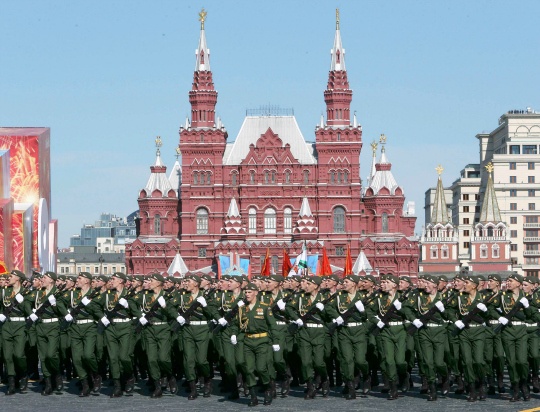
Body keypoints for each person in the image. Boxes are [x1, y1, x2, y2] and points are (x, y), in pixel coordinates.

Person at [230, 282, 279, 406]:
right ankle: (253, 396)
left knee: (261, 368)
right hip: (248, 341)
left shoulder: (264, 307)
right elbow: (236, 324)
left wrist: (276, 341)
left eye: (250, 292)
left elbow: (272, 325)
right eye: (245, 292)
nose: (247, 294)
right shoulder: (242, 308)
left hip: (262, 341)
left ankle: (268, 388)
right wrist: (234, 334)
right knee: (249, 369)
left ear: (256, 293)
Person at [403, 274, 449, 401]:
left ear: (435, 284)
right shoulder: (418, 296)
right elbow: (406, 308)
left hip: (439, 330)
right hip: (424, 331)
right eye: (424, 283)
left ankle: (445, 377)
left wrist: (443, 310)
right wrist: (414, 319)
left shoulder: (443, 297)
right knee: (427, 362)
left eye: (427, 283)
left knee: (439, 362)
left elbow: (449, 314)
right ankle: (432, 388)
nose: (425, 285)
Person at [60, 271, 102, 396]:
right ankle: (85, 383)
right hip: (75, 327)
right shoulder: (73, 294)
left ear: (87, 281)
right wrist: (66, 314)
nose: (76, 281)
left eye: (79, 278)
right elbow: (59, 302)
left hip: (89, 327)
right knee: (77, 358)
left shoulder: (95, 295)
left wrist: (90, 306)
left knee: (88, 355)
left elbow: (99, 310)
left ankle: (95, 374)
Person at [27, 271, 67, 395]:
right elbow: (25, 302)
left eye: (44, 277)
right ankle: (48, 383)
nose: (42, 279)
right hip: (40, 325)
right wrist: (31, 313)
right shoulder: (38, 292)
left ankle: (57, 373)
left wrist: (55, 303)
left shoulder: (58, 293)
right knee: (43, 356)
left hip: (53, 325)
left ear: (51, 280)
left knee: (51, 354)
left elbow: (63, 311)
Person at [0, 270, 32, 394]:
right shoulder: (4, 291)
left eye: (11, 276)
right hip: (7, 325)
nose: (8, 278)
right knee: (7, 356)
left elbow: (28, 311)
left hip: (20, 325)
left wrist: (22, 301)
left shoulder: (26, 293)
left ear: (18, 279)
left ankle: (23, 375)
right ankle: (12, 381)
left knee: (18, 354)